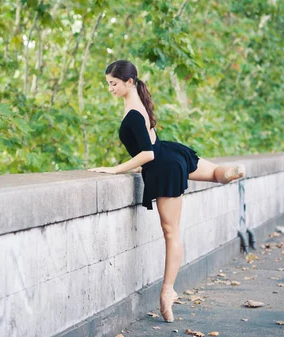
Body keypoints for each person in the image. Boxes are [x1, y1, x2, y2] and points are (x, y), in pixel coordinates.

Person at [88, 60, 245, 323]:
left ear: (129, 82)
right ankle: (229, 173)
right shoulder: (139, 105)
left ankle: (167, 291)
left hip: (163, 165)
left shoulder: (134, 112)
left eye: (113, 84)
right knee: (216, 173)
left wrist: (116, 169)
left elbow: (146, 154)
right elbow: (148, 145)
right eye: (108, 84)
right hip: (170, 153)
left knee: (171, 232)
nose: (110, 89)